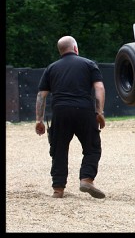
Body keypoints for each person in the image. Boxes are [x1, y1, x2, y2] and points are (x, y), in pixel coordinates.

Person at [35, 36, 106, 199]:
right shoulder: (89, 64)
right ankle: (86, 179)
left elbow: (41, 95)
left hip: (60, 112)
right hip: (84, 111)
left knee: (58, 150)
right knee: (92, 147)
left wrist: (39, 120)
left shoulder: (51, 68)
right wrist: (99, 112)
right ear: (75, 48)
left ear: (60, 50)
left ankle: (58, 189)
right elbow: (99, 87)